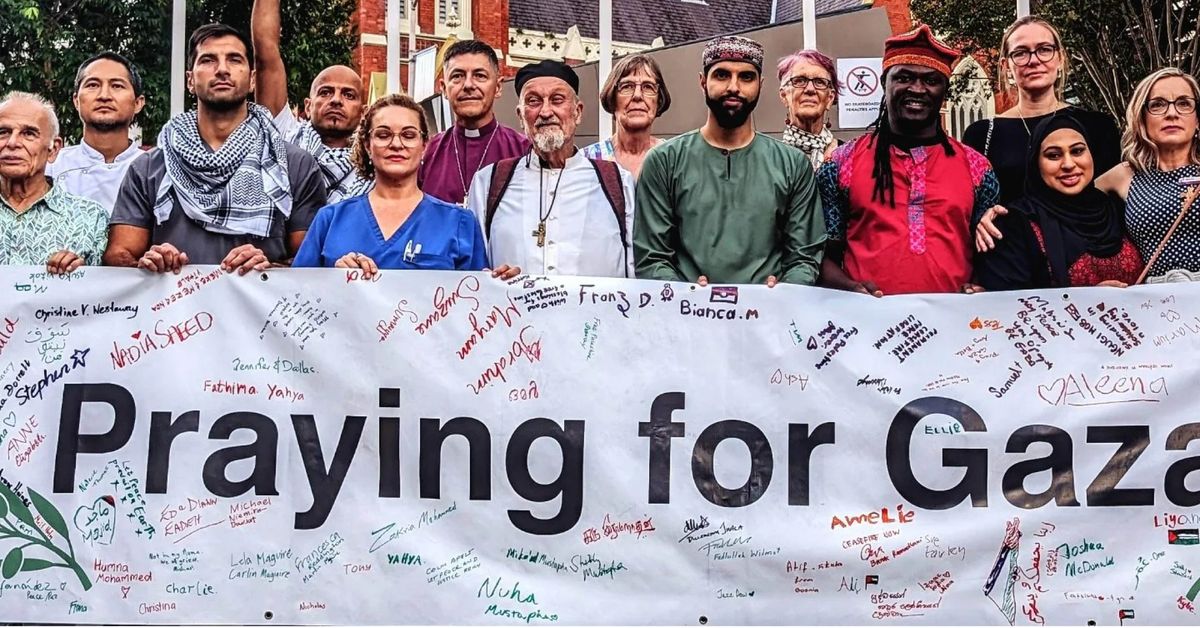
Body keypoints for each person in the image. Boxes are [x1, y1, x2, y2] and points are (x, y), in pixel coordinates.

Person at [105, 23, 327, 274]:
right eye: (208, 60)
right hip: (172, 311)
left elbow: (310, 262)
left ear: (253, 79)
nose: (222, 70)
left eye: (234, 60)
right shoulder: (149, 168)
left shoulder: (294, 165)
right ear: (190, 80)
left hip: (262, 312)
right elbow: (118, 254)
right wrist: (148, 262)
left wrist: (269, 268)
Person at [816, 25, 999, 296]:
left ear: (945, 90)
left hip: (957, 326)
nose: (917, 89)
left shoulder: (978, 169)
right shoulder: (840, 165)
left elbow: (993, 254)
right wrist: (849, 288)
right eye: (903, 77)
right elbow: (820, 254)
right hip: (867, 326)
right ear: (883, 83)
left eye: (931, 80)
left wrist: (983, 286)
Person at [635, 35, 825, 286]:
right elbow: (651, 257)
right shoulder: (664, 161)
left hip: (768, 317)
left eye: (746, 77)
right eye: (722, 75)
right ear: (703, 82)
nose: (734, 87)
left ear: (761, 84)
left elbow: (805, 257)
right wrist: (686, 293)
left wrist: (782, 293)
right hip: (688, 315)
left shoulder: (792, 165)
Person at [465, 60, 635, 278]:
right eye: (533, 101)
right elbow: (471, 274)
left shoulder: (617, 183)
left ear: (578, 112)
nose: (545, 112)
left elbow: (637, 274)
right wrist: (493, 278)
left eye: (557, 100)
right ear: (520, 116)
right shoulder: (489, 183)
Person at [293, 94, 494, 276]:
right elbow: (295, 298)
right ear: (367, 145)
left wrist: (505, 284)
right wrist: (332, 281)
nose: (396, 144)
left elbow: (477, 302)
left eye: (408, 135)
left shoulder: (459, 223)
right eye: (383, 135)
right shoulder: (330, 220)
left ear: (424, 145)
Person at [963, 16, 1120, 205]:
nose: (1034, 60)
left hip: (1088, 234)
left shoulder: (1097, 127)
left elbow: (1112, 198)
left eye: (1044, 49)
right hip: (1012, 233)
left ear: (1060, 58)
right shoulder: (982, 135)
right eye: (1021, 53)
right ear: (1006, 66)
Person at [975, 114, 1142, 290]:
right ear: (1036, 163)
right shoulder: (1011, 226)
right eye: (1053, 155)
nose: (1068, 164)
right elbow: (1008, 307)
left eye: (1077, 151)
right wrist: (1087, 302)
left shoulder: (1120, 209)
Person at [252, 0, 370, 202]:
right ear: (308, 105)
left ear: (363, 112)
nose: (336, 100)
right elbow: (265, 52)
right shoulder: (285, 136)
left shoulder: (374, 161)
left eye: (348, 95)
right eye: (325, 92)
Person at [0, 92, 109, 274]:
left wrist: (82, 276)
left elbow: (109, 291)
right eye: (3, 132)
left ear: (53, 149)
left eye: (29, 133)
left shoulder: (90, 217)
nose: (12, 143)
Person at [419, 40, 530, 206]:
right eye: (457, 76)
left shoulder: (525, 152)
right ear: (443, 88)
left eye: (480, 76)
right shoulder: (426, 153)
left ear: (498, 87)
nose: (469, 85)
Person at [46, 52, 146, 214]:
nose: (104, 96)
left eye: (117, 86)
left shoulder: (157, 169)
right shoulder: (50, 167)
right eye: (92, 85)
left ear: (138, 103)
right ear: (76, 100)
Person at [582, 53, 671, 178]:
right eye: (627, 86)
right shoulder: (586, 161)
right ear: (612, 97)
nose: (637, 95)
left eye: (648, 87)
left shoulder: (674, 159)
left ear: (659, 99)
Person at [777, 48, 840, 169]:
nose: (810, 89)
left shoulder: (848, 157)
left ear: (830, 98)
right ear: (784, 96)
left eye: (820, 82)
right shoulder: (770, 158)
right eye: (799, 81)